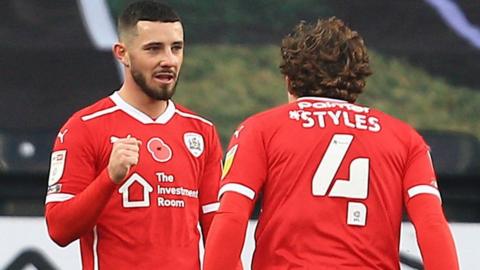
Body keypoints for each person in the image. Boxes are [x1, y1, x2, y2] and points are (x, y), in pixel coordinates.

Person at [203, 17, 459, 270]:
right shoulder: (405, 138)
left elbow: (232, 216)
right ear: (358, 81)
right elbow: (431, 223)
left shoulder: (260, 129)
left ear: (289, 80)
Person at [44, 1, 223, 269]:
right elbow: (59, 229)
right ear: (122, 53)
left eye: (176, 48)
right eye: (153, 49)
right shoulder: (84, 127)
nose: (169, 60)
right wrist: (109, 178)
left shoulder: (201, 131)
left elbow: (219, 235)